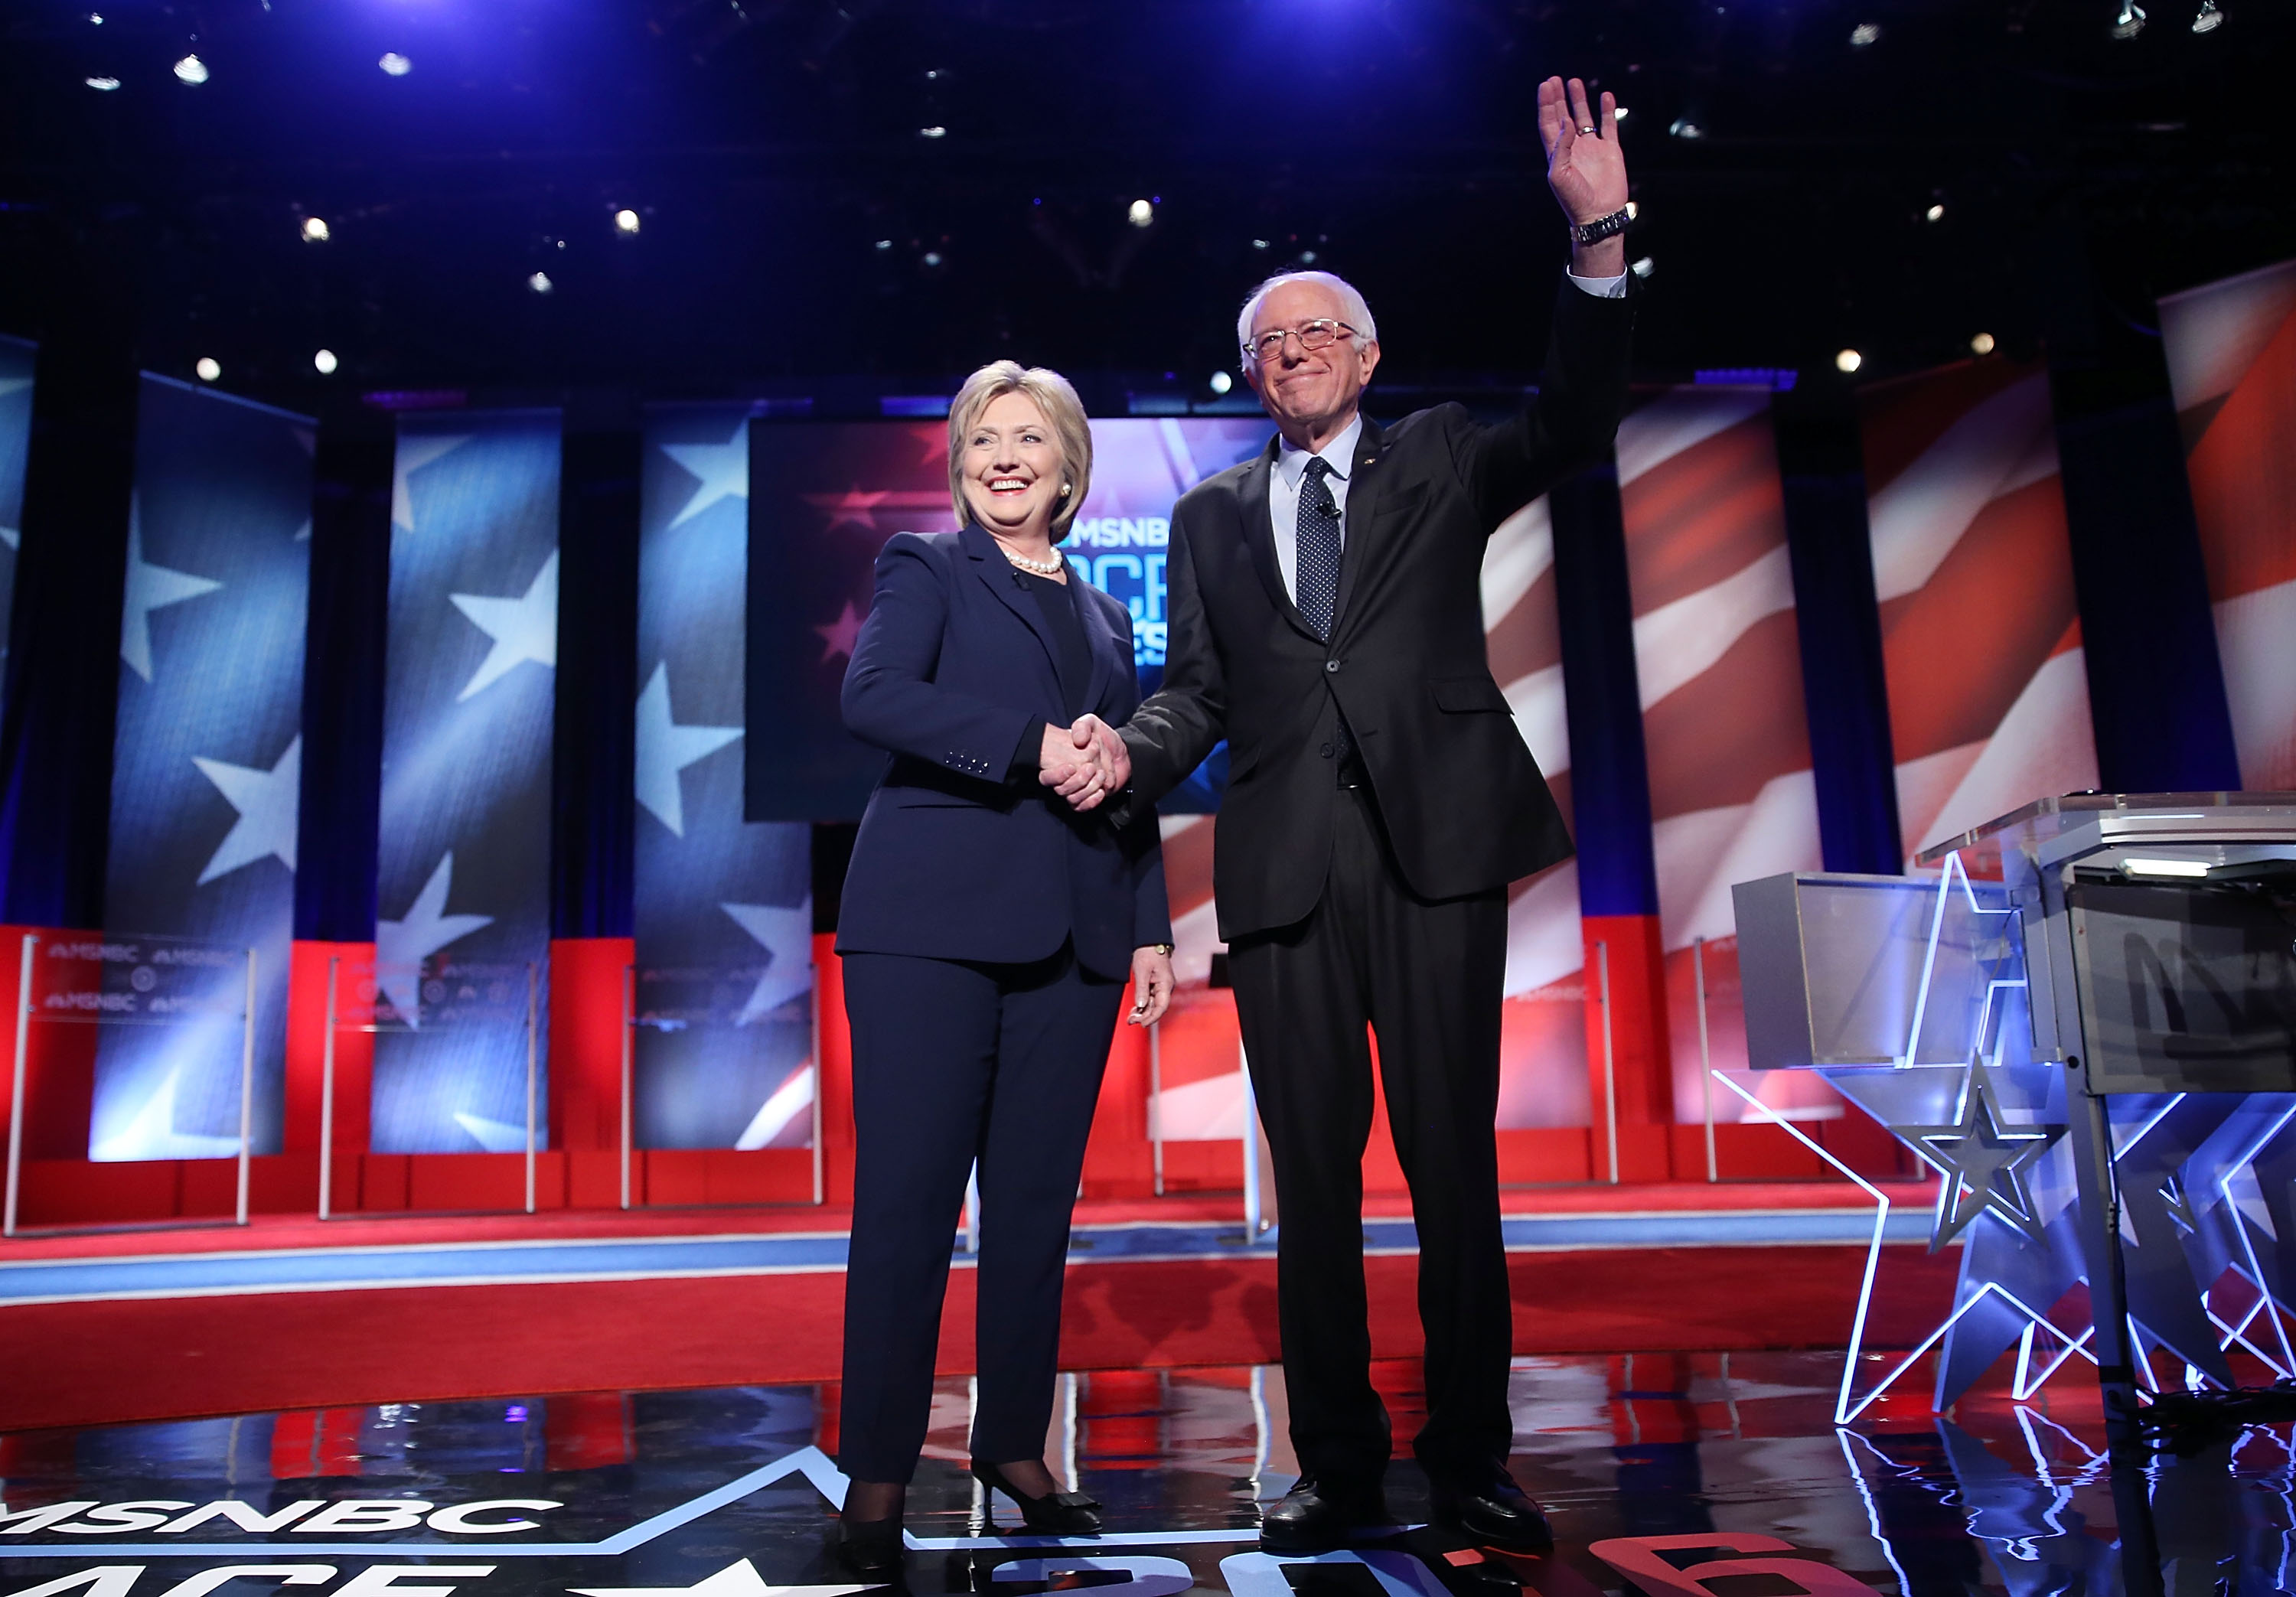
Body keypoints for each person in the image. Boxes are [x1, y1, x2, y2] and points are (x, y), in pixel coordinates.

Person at [1049, 77, 1634, 1553]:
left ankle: (1473, 1455)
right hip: (1284, 875)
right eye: (1270, 341)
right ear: (1251, 374)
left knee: (1453, 1170)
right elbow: (1198, 691)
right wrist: (1127, 751)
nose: (1295, 352)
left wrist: (1599, 238)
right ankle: (1338, 1465)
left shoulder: (1441, 453)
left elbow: (1576, 417)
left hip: (1436, 854)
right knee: (1312, 1186)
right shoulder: (1207, 516)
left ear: (1369, 356)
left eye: (1319, 332)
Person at [831, 360, 1176, 1575]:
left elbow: (1125, 777)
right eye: (984, 439)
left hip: (1076, 938)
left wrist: (1149, 923)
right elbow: (874, 695)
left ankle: (1015, 1447)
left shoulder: (1109, 617)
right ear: (962, 463)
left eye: (1029, 438)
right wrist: (1031, 746)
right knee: (909, 1206)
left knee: (1034, 1209)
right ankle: (878, 1472)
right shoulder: (926, 567)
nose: (1005, 458)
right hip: (926, 930)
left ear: (1068, 465)